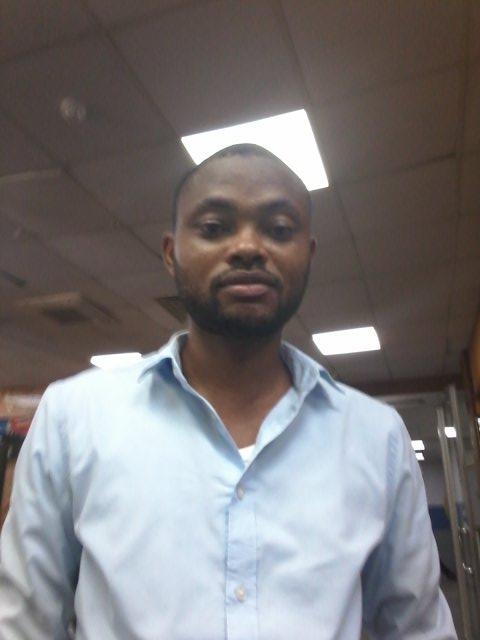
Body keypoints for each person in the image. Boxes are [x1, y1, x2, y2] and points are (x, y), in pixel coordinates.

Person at [0, 144, 457, 639]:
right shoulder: (74, 416)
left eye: (278, 229)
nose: (247, 247)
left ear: (307, 255)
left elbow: (419, 629)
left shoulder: (375, 437)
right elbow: (21, 620)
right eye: (215, 227)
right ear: (171, 253)